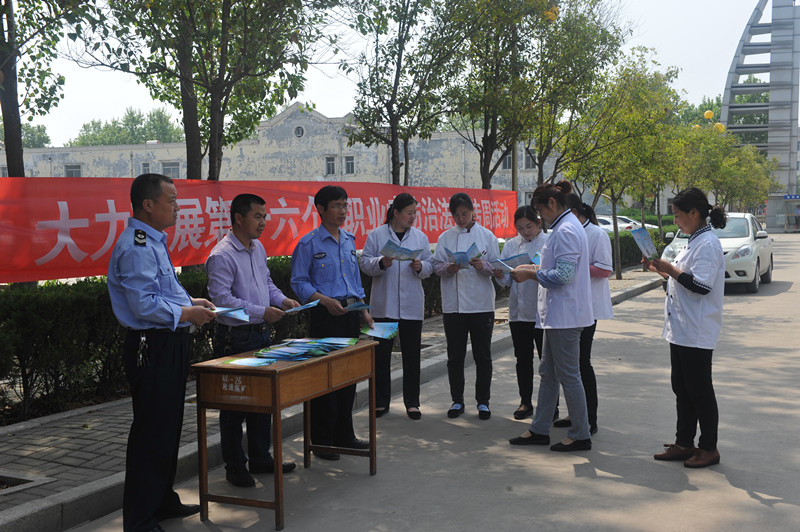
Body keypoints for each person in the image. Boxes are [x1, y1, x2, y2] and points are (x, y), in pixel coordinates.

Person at [107, 173, 216, 532]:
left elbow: (160, 291)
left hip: (168, 341)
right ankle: (140, 519)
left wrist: (191, 302)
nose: (178, 207)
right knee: (152, 431)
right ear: (148, 205)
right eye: (171, 200)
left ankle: (162, 501)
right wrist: (187, 314)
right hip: (152, 345)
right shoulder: (137, 245)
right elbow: (142, 304)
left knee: (168, 427)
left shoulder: (153, 240)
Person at [206, 194, 301, 487]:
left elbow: (267, 282)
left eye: (264, 217)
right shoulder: (222, 255)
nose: (263, 223)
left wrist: (282, 300)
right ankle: (235, 466)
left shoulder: (257, 248)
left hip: (260, 333)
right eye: (257, 216)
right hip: (236, 338)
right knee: (235, 406)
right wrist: (262, 311)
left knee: (263, 400)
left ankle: (261, 457)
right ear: (238, 218)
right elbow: (222, 302)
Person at [508, 180, 594, 452]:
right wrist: (531, 268)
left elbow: (564, 275)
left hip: (566, 316)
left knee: (569, 375)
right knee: (548, 372)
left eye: (541, 210)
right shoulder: (564, 227)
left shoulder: (566, 230)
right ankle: (540, 428)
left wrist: (530, 273)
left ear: (553, 204)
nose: (541, 216)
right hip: (557, 316)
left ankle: (580, 434)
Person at [290, 185, 374, 460]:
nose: (343, 211)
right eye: (337, 205)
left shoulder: (349, 240)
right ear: (321, 209)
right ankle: (322, 440)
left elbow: (354, 280)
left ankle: (344, 435)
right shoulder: (308, 244)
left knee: (347, 377)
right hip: (325, 317)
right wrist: (324, 301)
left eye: (345, 205)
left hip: (350, 314)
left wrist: (363, 310)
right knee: (323, 379)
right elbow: (299, 282)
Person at [644, 187, 725, 468]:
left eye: (678, 216)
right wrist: (660, 269)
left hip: (697, 330)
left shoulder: (708, 244)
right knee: (682, 387)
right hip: (681, 329)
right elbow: (681, 279)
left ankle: (709, 448)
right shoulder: (694, 241)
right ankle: (684, 442)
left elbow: (701, 285)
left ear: (694, 213)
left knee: (699, 390)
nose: (676, 221)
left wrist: (670, 269)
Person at [359, 193, 433, 420]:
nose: (413, 217)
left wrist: (420, 267)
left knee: (412, 356)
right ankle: (380, 402)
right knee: (380, 356)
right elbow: (364, 263)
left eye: (415, 213)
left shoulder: (419, 237)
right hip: (383, 307)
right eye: (409, 213)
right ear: (396, 213)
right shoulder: (377, 235)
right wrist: (381, 263)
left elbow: (430, 266)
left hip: (411, 307)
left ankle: (412, 403)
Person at [432, 192, 500, 420]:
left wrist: (483, 266)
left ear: (473, 211)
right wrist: (448, 268)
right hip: (454, 306)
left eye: (465, 214)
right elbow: (436, 266)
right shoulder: (445, 237)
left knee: (483, 355)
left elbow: (497, 268)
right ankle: (457, 400)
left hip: (481, 305)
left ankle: (483, 402)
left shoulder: (487, 236)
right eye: (457, 215)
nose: (461, 219)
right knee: (455, 356)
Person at [550, 195, 613, 434]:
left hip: (588, 306)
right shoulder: (567, 232)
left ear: (574, 212)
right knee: (569, 365)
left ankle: (589, 418)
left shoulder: (596, 234)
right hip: (569, 306)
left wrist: (571, 267)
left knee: (581, 363)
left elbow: (605, 270)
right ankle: (577, 413)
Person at [492, 206, 548, 420]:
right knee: (522, 360)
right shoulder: (511, 245)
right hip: (519, 313)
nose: (525, 232)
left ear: (538, 223)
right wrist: (500, 274)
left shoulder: (549, 243)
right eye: (520, 228)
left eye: (529, 227)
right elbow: (506, 281)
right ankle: (525, 402)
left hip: (543, 313)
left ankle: (550, 405)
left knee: (546, 362)